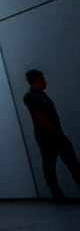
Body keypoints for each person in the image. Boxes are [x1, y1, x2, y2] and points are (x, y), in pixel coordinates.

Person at [23, 69, 80, 200]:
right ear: (36, 81)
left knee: (69, 162)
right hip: (47, 136)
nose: (45, 82)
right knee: (52, 165)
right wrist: (54, 130)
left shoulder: (41, 95)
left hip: (53, 134)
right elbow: (39, 116)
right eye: (42, 79)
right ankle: (57, 194)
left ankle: (57, 194)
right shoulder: (30, 97)